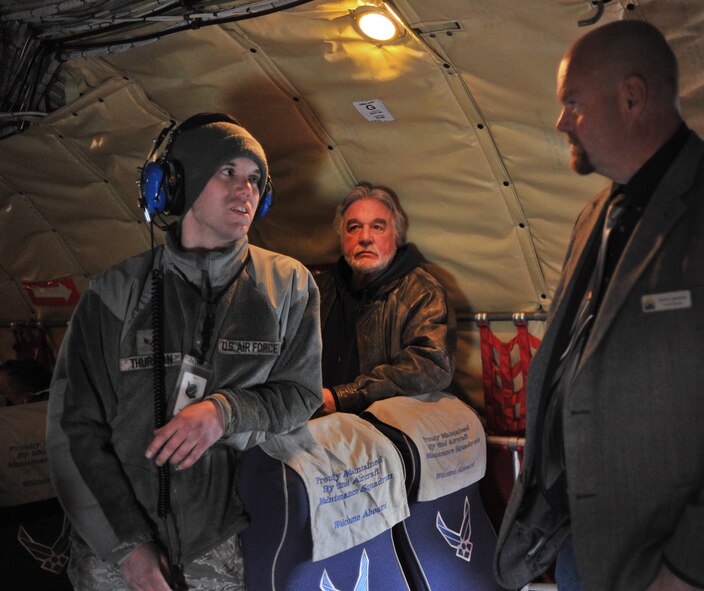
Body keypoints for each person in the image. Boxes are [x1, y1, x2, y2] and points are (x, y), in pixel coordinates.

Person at [494, 21, 704, 591]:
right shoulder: (591, 219)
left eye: (572, 103)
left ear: (632, 96)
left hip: (694, 567)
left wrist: (689, 574)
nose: (560, 123)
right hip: (592, 549)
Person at [46, 113, 323, 590]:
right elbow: (74, 430)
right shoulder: (114, 293)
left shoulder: (289, 285)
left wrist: (225, 412)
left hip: (226, 546)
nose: (246, 191)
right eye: (227, 173)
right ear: (175, 185)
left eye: (255, 179)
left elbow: (301, 394)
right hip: (112, 552)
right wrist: (127, 547)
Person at [314, 182, 456, 415]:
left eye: (378, 227)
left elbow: (431, 365)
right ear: (341, 238)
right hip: (313, 419)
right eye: (354, 227)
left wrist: (342, 398)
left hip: (383, 427)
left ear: (396, 236)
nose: (365, 238)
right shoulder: (319, 290)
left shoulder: (422, 292)